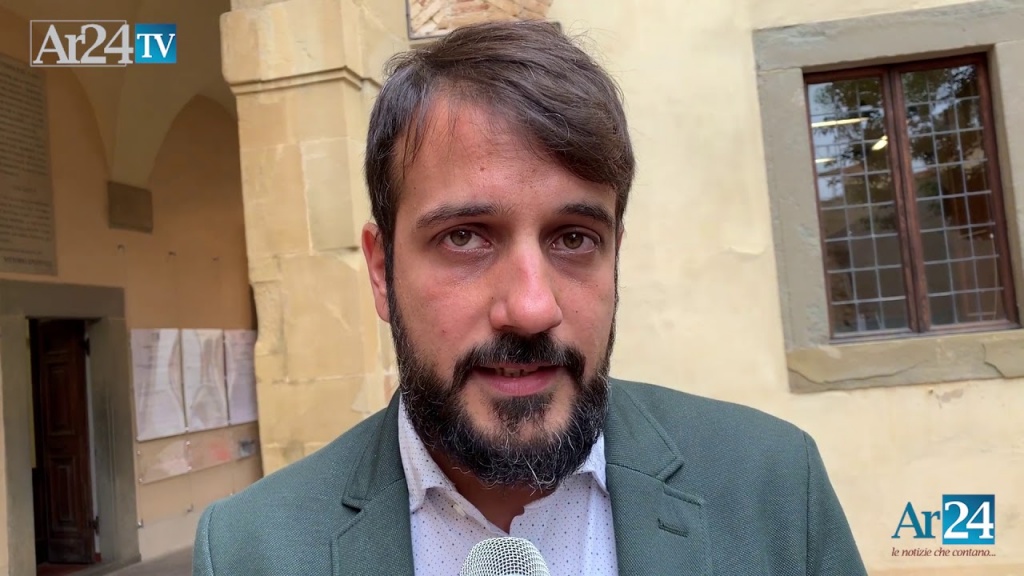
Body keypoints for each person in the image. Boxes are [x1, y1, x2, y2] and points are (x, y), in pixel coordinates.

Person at [192, 20, 868, 575]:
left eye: (574, 238)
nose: (531, 307)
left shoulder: (776, 488)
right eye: (464, 237)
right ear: (380, 271)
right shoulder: (251, 549)